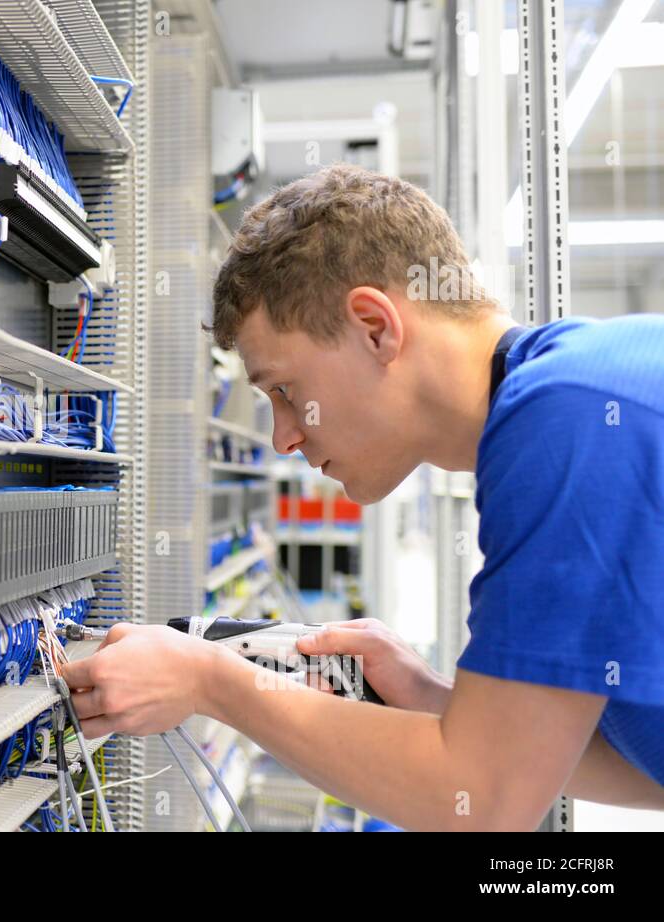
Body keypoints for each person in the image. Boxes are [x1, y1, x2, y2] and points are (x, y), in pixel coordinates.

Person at [60, 163, 664, 830]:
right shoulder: (578, 393)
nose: (284, 437)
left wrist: (211, 683)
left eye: (284, 391)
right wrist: (428, 698)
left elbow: (482, 805)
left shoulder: (568, 420)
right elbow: (644, 771)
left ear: (375, 328)